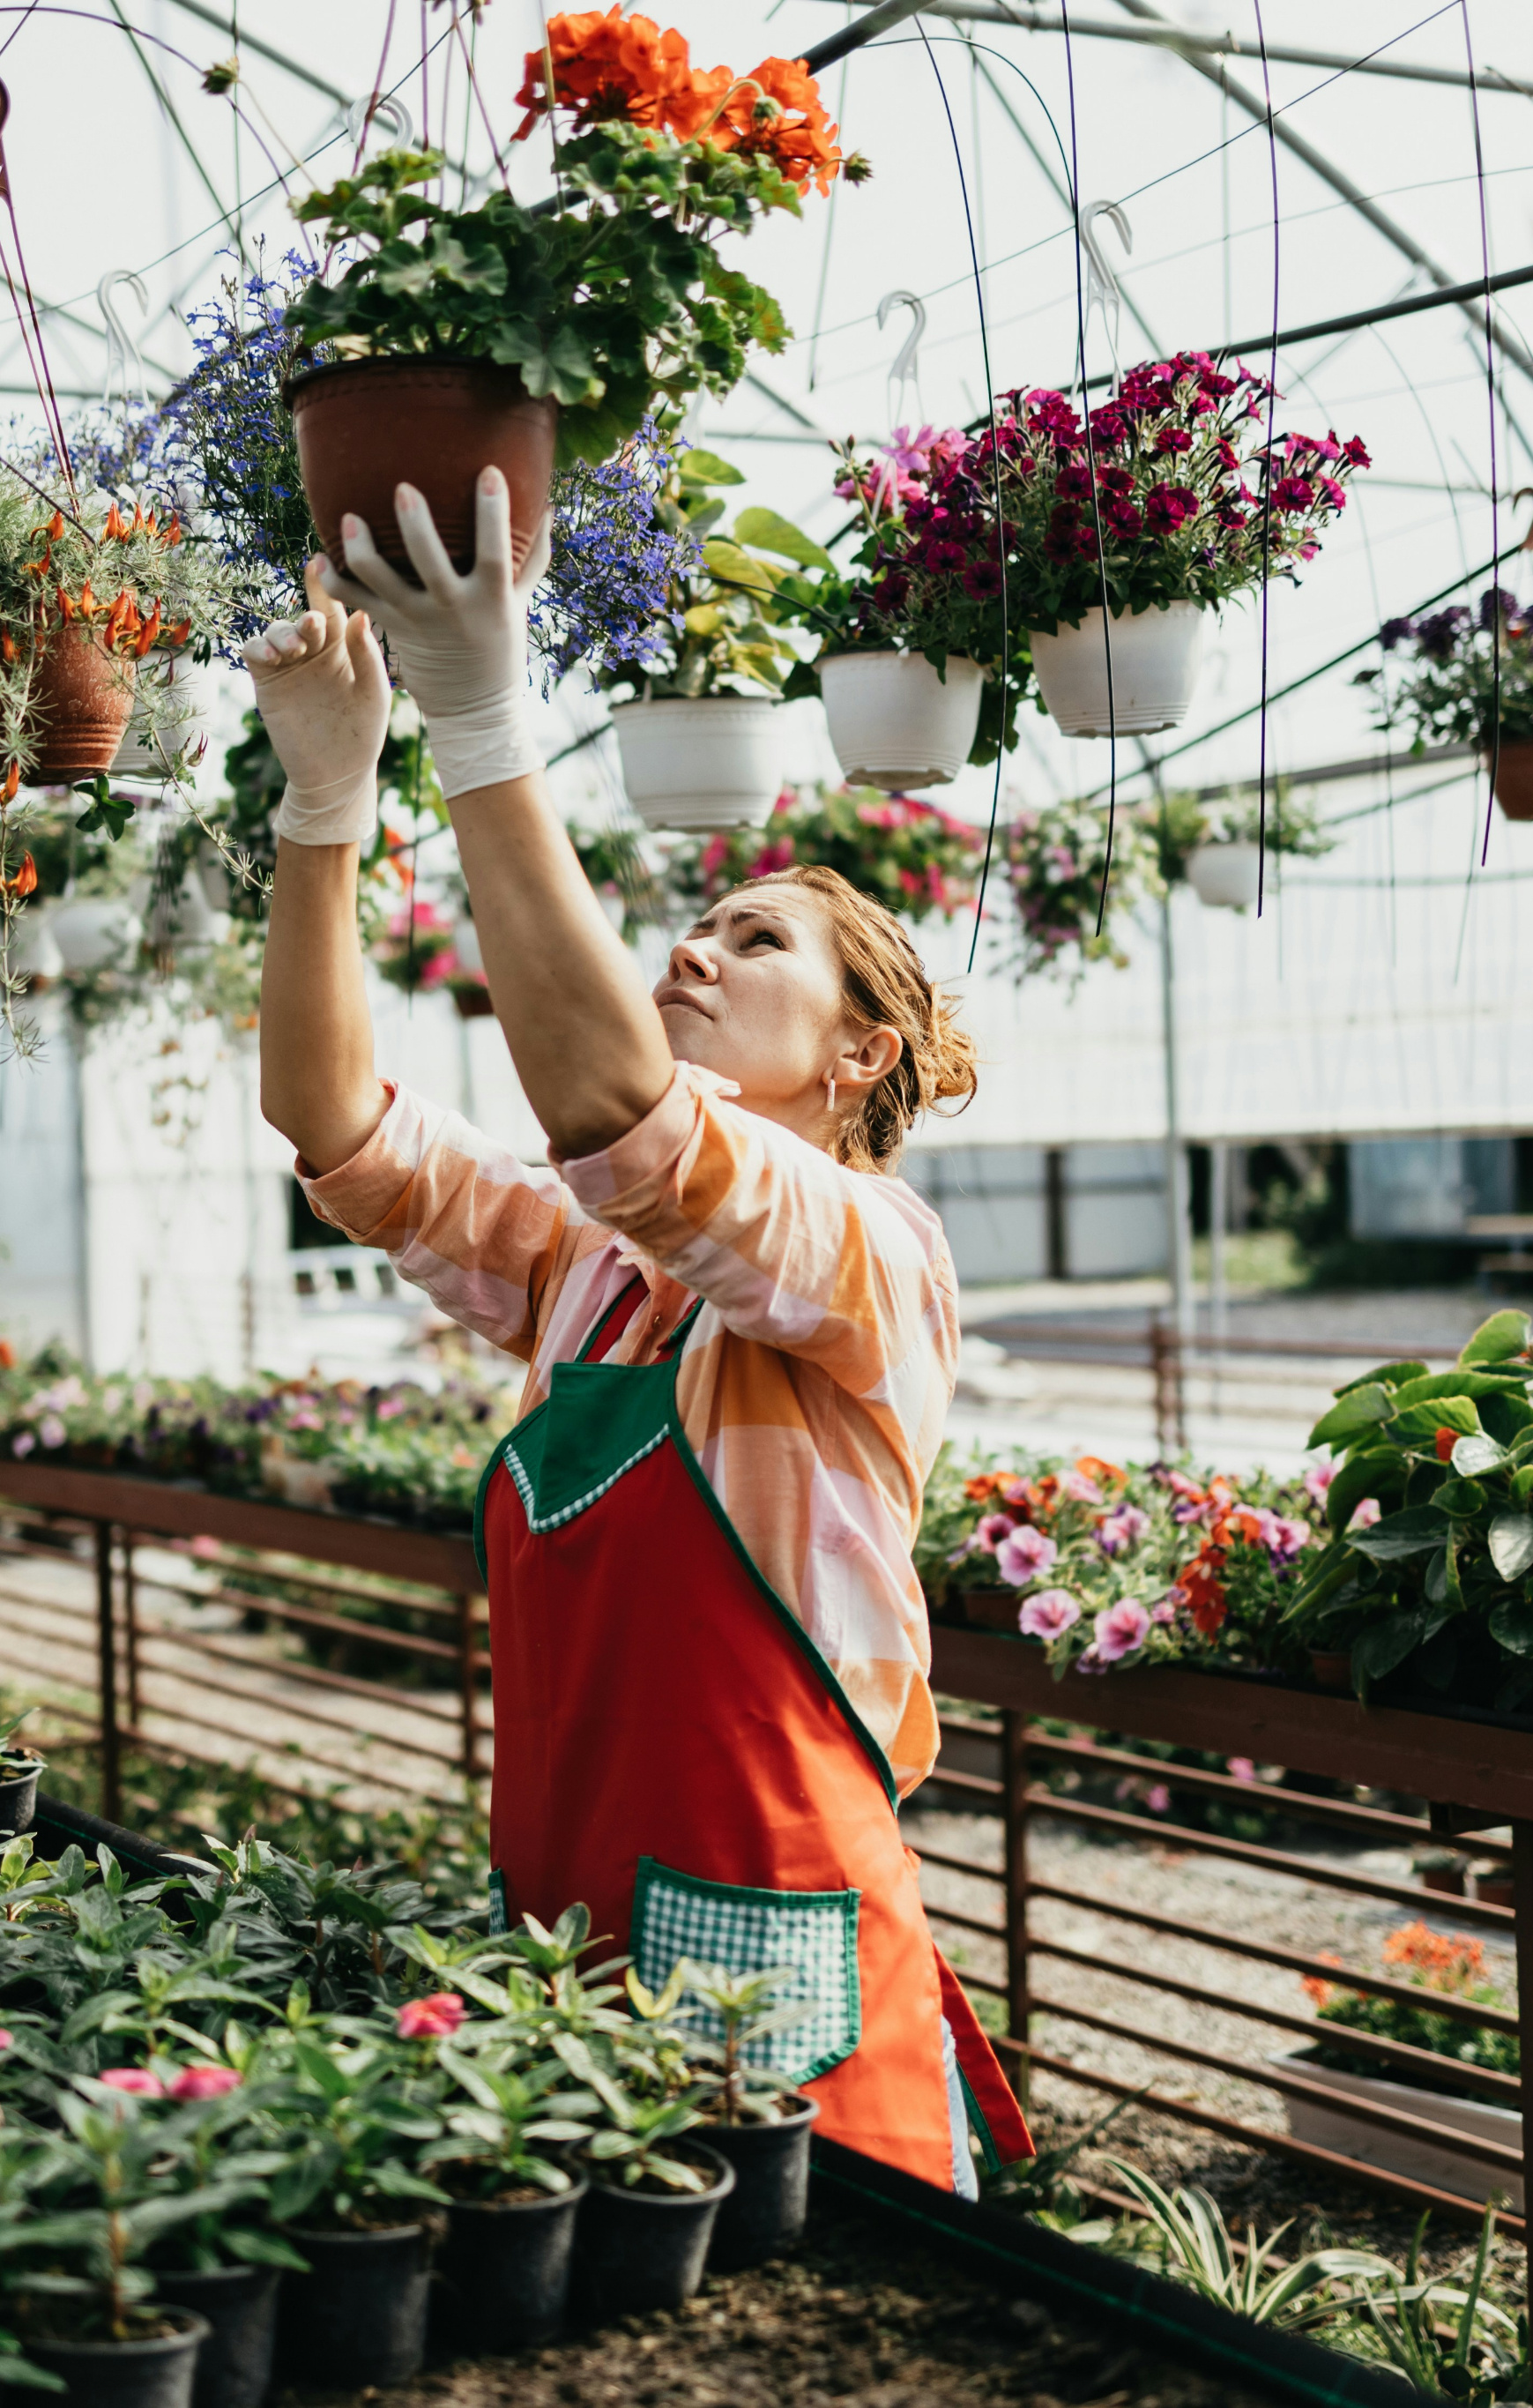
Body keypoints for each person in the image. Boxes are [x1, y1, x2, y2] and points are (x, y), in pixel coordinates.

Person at [242, 466, 1031, 2193]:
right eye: (698, 921)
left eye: (756, 943)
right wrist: (322, 811)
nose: (697, 948)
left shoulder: (872, 1257)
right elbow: (335, 1130)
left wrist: (478, 721)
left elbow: (622, 1117)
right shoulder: (587, 1270)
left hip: (782, 1943)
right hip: (571, 1918)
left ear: (854, 1059)